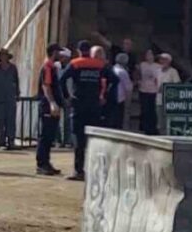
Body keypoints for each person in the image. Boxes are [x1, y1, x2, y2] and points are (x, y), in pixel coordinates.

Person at [63, 43, 107, 181]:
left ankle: (79, 171)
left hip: (79, 105)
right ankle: (96, 171)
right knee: (94, 139)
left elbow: (61, 79)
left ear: (79, 51)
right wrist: (103, 96)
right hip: (94, 105)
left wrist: (67, 96)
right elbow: (114, 80)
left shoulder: (75, 63)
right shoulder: (99, 64)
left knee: (79, 139)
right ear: (90, 51)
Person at [35, 44, 65, 176]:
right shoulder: (47, 67)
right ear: (54, 53)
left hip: (52, 106)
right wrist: (52, 103)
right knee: (45, 136)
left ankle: (46, 162)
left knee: (50, 135)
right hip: (48, 107)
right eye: (59, 52)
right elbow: (46, 86)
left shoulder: (52, 67)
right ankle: (41, 164)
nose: (61, 55)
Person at [137, 49, 162, 136]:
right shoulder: (142, 65)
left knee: (152, 110)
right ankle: (144, 128)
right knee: (145, 109)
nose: (149, 56)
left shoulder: (158, 66)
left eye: (150, 54)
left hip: (154, 90)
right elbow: (138, 75)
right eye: (147, 54)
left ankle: (153, 128)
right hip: (143, 89)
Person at [156, 53, 182, 132]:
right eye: (161, 59)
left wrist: (166, 88)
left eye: (164, 59)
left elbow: (178, 84)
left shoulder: (173, 71)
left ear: (169, 61)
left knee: (170, 122)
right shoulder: (157, 71)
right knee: (160, 122)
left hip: (170, 101)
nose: (162, 61)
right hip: (158, 100)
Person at [108, 53, 134, 129]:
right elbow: (128, 87)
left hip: (111, 96)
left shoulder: (112, 69)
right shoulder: (122, 72)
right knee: (119, 118)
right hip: (120, 97)